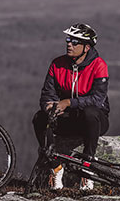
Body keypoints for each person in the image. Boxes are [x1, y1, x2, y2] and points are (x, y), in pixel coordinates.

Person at [32, 23, 110, 191]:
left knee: (91, 113)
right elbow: (47, 94)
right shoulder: (57, 64)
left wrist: (68, 102)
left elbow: (97, 100)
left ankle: (87, 167)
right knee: (39, 118)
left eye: (75, 42)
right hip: (68, 118)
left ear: (86, 47)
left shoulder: (99, 65)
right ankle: (55, 167)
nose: (69, 44)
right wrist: (50, 107)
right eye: (68, 40)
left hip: (93, 121)